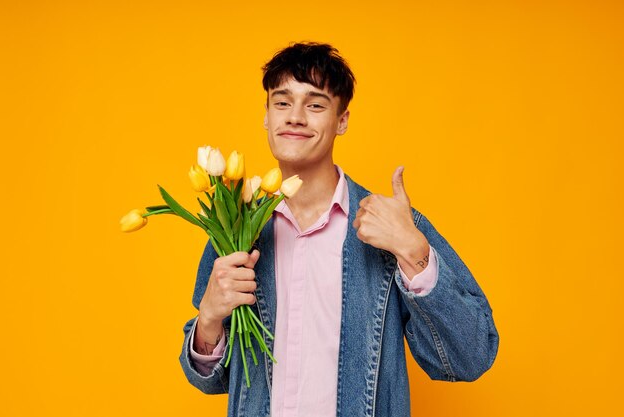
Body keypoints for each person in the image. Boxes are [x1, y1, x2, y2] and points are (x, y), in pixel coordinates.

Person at [179, 42, 499, 417]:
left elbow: (470, 357)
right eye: (282, 103)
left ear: (342, 120)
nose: (295, 117)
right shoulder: (234, 227)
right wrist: (209, 319)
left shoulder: (392, 226)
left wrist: (414, 252)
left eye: (315, 105)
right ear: (266, 115)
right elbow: (211, 380)